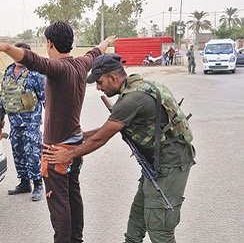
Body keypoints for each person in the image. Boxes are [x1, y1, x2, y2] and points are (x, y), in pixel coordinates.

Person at [0, 21, 116, 243]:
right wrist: (107, 42)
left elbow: (31, 59)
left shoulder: (58, 68)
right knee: (73, 196)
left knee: (59, 203)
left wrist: (5, 48)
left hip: (57, 151)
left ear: (50, 43)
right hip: (75, 145)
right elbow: (95, 52)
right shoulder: (81, 64)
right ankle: (76, 239)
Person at [43, 53, 196, 243]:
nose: (98, 88)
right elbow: (110, 128)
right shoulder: (140, 87)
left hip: (171, 165)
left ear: (113, 78)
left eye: (100, 82)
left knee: (160, 230)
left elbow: (101, 138)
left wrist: (68, 153)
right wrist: (80, 136)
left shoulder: (131, 99)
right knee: (136, 224)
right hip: (156, 163)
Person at [0, 42, 46, 201]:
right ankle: (24, 182)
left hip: (31, 122)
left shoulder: (36, 73)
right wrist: (0, 118)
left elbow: (46, 99)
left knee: (33, 152)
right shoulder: (8, 71)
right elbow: (2, 95)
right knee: (18, 152)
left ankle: (38, 183)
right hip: (14, 122)